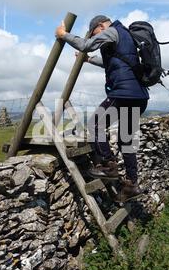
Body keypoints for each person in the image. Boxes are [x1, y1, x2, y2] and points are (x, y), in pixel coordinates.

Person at [55, 15, 149, 203]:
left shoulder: (112, 31)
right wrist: (89, 61)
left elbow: (87, 44)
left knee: (94, 125)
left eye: (94, 32)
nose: (96, 36)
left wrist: (64, 35)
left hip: (123, 95)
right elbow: (114, 61)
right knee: (126, 140)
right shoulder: (125, 36)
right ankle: (132, 184)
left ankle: (109, 166)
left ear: (100, 26)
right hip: (139, 96)